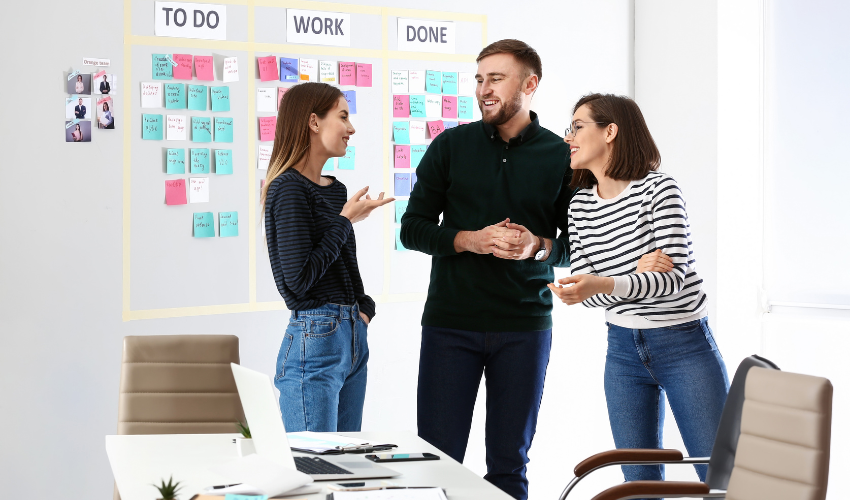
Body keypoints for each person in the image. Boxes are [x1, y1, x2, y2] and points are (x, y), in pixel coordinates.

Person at [399, 39, 570, 500]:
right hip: (451, 325)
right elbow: (411, 229)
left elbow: (576, 247)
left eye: (495, 78)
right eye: (479, 79)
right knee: (437, 461)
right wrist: (469, 239)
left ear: (529, 84)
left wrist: (537, 246)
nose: (483, 89)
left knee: (509, 466)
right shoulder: (451, 145)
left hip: (524, 329)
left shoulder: (562, 156)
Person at [549, 93, 729, 488]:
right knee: (637, 486)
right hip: (622, 352)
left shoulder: (659, 190)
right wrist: (632, 270)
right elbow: (586, 292)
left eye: (577, 126)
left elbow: (671, 279)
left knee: (723, 482)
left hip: (684, 345)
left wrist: (606, 281)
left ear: (610, 131)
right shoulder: (579, 206)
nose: (569, 137)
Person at [261, 82, 393, 433]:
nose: (351, 129)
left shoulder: (336, 190)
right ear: (314, 122)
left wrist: (364, 309)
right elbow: (297, 282)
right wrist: (345, 221)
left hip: (351, 334)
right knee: (315, 471)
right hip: (315, 338)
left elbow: (343, 264)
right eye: (343, 116)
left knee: (346, 467)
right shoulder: (287, 188)